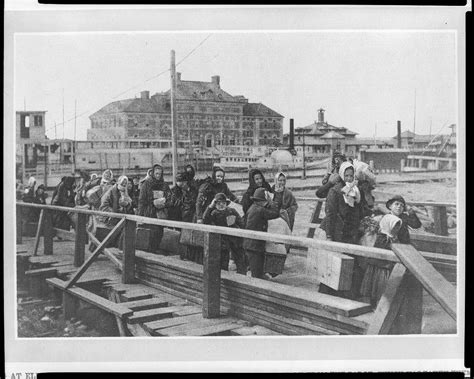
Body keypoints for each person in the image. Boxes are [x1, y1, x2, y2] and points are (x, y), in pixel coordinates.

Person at [359, 214, 402, 306]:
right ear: (388, 225)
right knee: (377, 287)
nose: (396, 229)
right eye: (395, 226)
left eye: (398, 226)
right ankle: (374, 305)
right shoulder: (382, 238)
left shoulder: (392, 238)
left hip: (386, 266)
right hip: (380, 267)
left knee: (380, 289)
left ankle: (378, 305)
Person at [203, 193, 247, 274]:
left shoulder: (231, 211)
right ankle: (224, 277)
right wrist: (210, 207)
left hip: (235, 239)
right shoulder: (214, 213)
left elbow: (241, 223)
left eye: (223, 203)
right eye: (219, 203)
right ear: (215, 204)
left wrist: (241, 233)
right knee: (223, 261)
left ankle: (242, 277)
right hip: (222, 241)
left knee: (240, 260)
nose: (221, 205)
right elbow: (205, 220)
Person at [319, 161, 362, 244]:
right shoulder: (335, 191)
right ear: (342, 175)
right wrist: (329, 236)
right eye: (346, 176)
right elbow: (330, 213)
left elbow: (357, 211)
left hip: (350, 229)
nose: (349, 179)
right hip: (336, 229)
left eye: (351, 176)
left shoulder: (355, 191)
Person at [243, 187, 280, 279]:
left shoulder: (252, 208)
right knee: (256, 273)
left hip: (250, 243)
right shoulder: (260, 210)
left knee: (257, 268)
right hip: (255, 245)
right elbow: (275, 213)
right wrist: (272, 202)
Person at [137, 164, 172, 252]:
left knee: (159, 233)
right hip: (149, 212)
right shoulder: (146, 184)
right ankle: (149, 251)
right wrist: (140, 216)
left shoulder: (164, 185)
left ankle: (155, 249)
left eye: (160, 174)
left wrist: (164, 203)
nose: (158, 176)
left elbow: (170, 198)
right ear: (153, 173)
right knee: (149, 234)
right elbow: (141, 200)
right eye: (156, 174)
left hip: (160, 213)